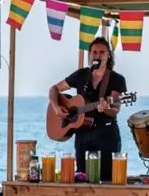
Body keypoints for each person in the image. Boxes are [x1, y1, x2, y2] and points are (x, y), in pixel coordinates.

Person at [48, 37, 127, 184]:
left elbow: (115, 109)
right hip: (82, 135)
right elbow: (54, 89)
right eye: (94, 52)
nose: (98, 55)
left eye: (102, 52)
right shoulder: (81, 75)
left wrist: (106, 108)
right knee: (82, 179)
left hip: (106, 135)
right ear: (89, 55)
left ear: (108, 55)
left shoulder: (116, 79)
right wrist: (56, 106)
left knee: (106, 180)